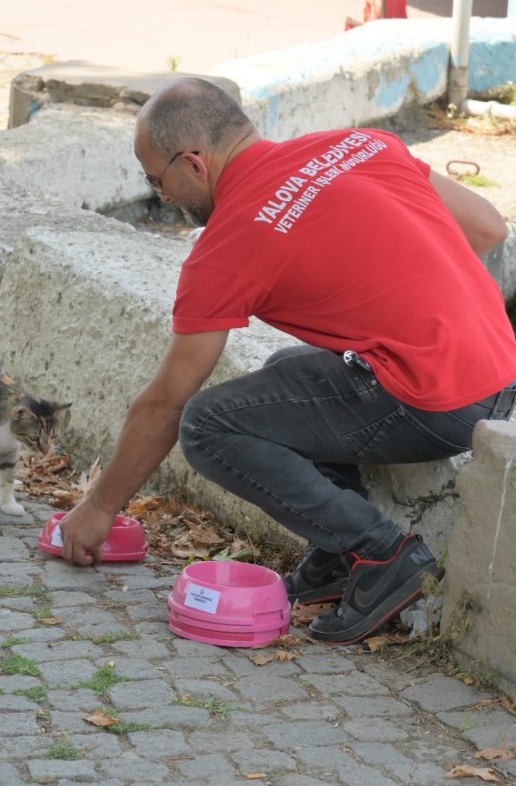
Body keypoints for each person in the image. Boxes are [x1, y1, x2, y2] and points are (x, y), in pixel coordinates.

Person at [60, 77, 516, 645]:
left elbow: (168, 401)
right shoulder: (358, 145)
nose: (164, 197)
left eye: (157, 180)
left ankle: (382, 553)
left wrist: (101, 506)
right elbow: (487, 227)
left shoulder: (226, 248)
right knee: (285, 369)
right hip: (500, 368)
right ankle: (333, 553)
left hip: (437, 400)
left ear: (195, 164)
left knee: (208, 423)